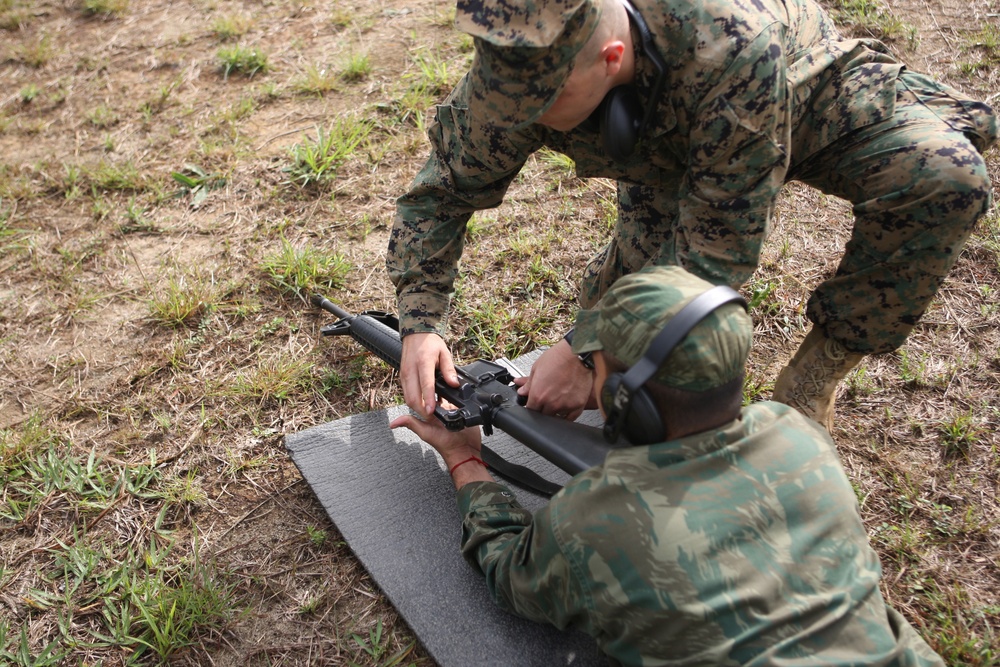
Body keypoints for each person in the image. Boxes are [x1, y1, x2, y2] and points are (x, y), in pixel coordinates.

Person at [386, 0, 997, 432]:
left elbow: (716, 256)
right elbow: (440, 194)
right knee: (631, 380)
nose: (522, 117)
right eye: (508, 99)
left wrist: (582, 347)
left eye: (544, 104)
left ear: (610, 56)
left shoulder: (729, 45)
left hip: (801, 90)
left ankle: (812, 381)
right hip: (668, 150)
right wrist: (419, 321)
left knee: (948, 179)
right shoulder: (522, 64)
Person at [390, 265, 945, 666]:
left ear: (636, 402)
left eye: (594, 366)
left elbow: (510, 573)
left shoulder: (595, 519)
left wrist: (463, 458)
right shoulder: (798, 435)